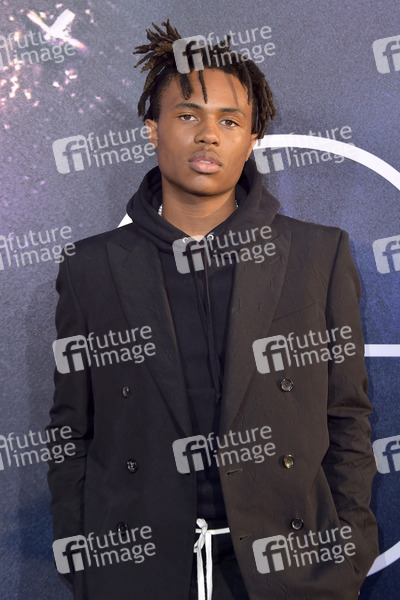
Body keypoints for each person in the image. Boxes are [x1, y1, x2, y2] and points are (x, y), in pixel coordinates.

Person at [47, 19, 379, 600]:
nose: (208, 135)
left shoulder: (317, 255)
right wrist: (85, 562)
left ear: (252, 139)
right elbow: (72, 430)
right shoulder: (90, 267)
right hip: (140, 575)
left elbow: (346, 417)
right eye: (187, 116)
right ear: (152, 130)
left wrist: (346, 556)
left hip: (289, 574)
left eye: (229, 121)